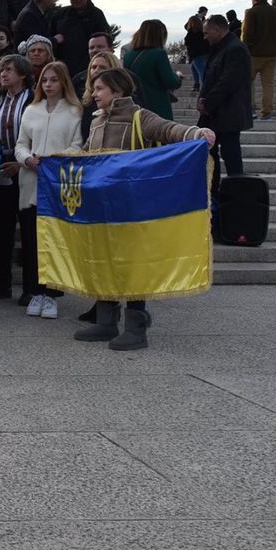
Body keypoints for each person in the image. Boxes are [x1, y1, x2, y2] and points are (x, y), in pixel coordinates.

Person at [76, 68, 214, 349]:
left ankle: (136, 326)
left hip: (132, 207)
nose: (94, 94)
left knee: (133, 265)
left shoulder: (139, 116)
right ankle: (106, 321)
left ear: (117, 90)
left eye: (100, 89)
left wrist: (195, 132)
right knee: (105, 261)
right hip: (103, 207)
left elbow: (168, 129)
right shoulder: (96, 123)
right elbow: (88, 156)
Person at [15, 61, 82, 321]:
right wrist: (27, 159)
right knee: (31, 242)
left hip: (58, 184)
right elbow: (21, 143)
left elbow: (78, 145)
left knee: (54, 242)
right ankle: (34, 292)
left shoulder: (74, 111)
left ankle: (52, 295)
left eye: (54, 80)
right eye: (45, 80)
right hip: (31, 181)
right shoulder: (31, 110)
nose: (49, 85)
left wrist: (55, 160)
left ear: (63, 82)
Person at [0, 54, 33, 303]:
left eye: (8, 69)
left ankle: (31, 288)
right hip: (0, 170)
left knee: (29, 230)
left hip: (27, 170)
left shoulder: (34, 101)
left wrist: (20, 160)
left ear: (22, 74)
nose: (2, 74)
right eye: (0, 69)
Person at [198, 14, 252, 196]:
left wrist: (208, 104)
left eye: (207, 33)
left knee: (231, 156)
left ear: (217, 30)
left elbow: (227, 82)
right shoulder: (224, 47)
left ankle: (236, 194)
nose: (205, 37)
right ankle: (215, 191)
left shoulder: (234, 49)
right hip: (218, 113)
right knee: (214, 154)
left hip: (226, 113)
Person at [123, 20, 181, 120]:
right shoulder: (159, 54)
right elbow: (170, 82)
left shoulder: (128, 56)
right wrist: (178, 76)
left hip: (137, 107)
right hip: (157, 107)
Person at [53, 0, 110, 78]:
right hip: (64, 69)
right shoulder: (60, 14)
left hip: (89, 67)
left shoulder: (96, 15)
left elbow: (105, 39)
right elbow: (51, 37)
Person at [242, 0, 276, 119]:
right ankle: (267, 111)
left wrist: (245, 49)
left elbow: (246, 34)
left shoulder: (251, 12)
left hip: (255, 54)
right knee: (268, 84)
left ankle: (251, 109)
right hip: (273, 54)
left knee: (248, 81)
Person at [185, 14, 210, 92]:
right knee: (194, 67)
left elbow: (189, 45)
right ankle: (196, 84)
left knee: (201, 70)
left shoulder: (191, 33)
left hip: (196, 54)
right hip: (205, 53)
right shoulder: (202, 32)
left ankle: (206, 88)